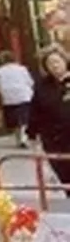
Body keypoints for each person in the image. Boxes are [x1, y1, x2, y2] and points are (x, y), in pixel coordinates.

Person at [30, 47, 70, 187]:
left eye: (57, 61)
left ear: (65, 61)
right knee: (65, 176)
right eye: (50, 63)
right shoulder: (42, 86)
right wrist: (32, 134)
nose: (55, 66)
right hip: (54, 139)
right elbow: (35, 110)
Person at [0, 50, 35, 147]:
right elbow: (30, 82)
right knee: (24, 119)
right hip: (24, 95)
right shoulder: (22, 69)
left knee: (14, 120)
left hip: (8, 98)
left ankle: (18, 139)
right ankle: (24, 138)